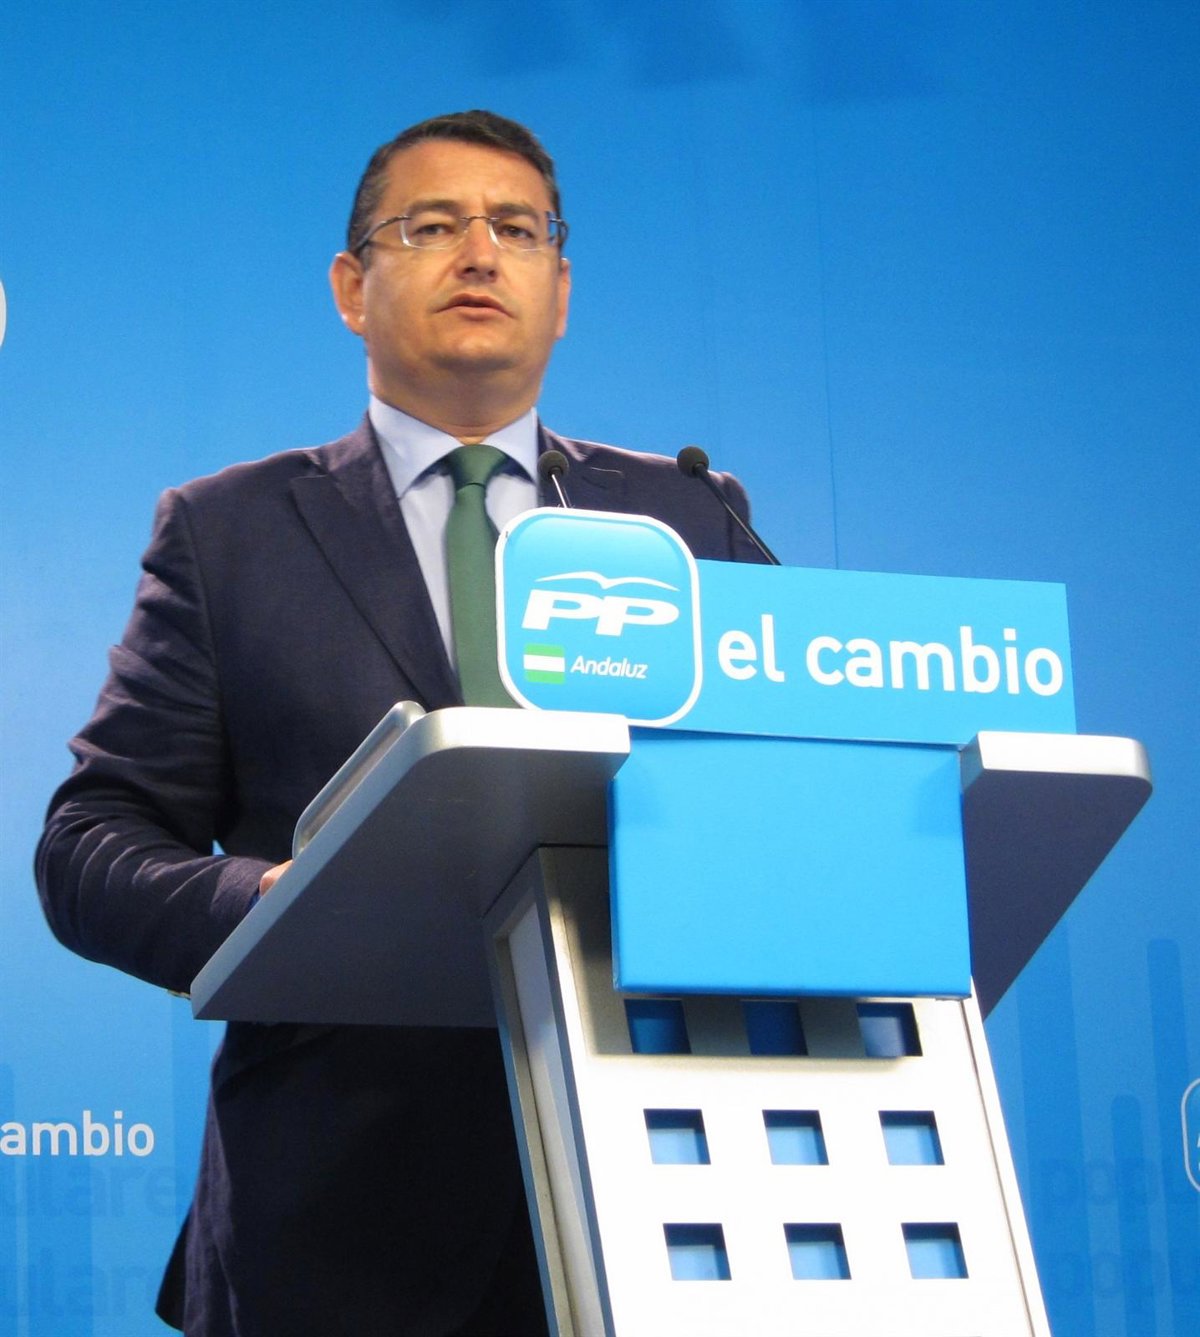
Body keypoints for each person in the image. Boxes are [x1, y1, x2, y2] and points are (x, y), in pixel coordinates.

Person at [36, 110, 763, 1335]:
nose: (480, 253)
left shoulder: (689, 519)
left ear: (561, 289)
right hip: (336, 1226)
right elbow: (89, 844)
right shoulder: (229, 534)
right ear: (350, 287)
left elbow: (782, 780)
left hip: (665, 1202)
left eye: (517, 229)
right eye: (432, 226)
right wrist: (271, 904)